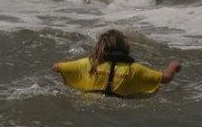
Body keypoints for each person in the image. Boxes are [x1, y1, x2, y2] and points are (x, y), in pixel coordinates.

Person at [51, 29, 181, 97]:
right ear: (124, 47)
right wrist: (174, 65)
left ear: (100, 47)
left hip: (88, 102)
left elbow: (56, 67)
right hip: (117, 102)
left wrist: (70, 76)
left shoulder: (89, 64)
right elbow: (165, 78)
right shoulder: (134, 69)